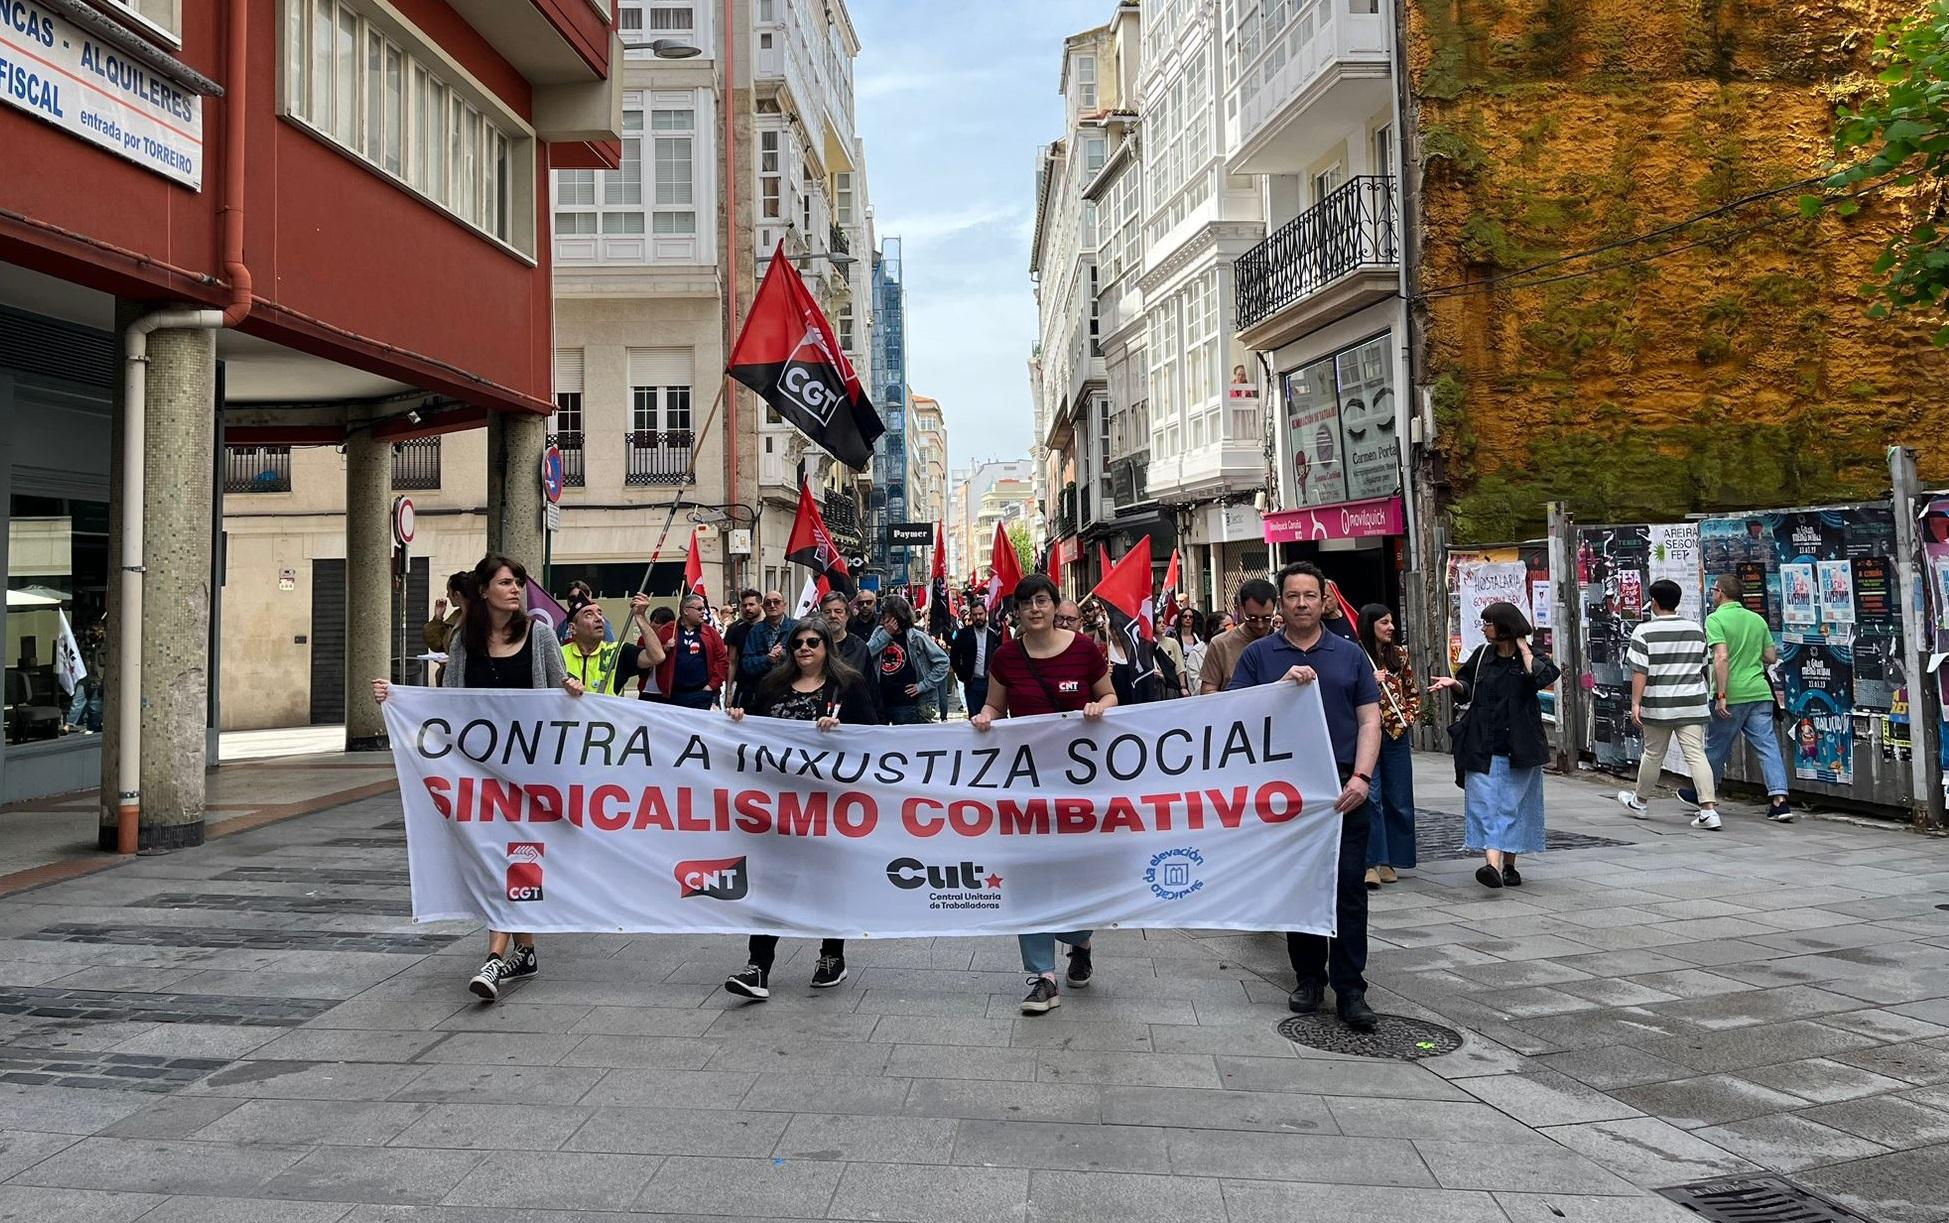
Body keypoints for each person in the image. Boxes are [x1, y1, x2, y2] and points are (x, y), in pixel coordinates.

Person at [372, 554, 583, 1002]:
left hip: (532, 770)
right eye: (506, 582)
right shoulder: (463, 641)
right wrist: (396, 698)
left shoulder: (540, 634)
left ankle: (505, 955)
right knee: (499, 855)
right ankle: (508, 953)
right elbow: (451, 706)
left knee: (517, 854)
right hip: (483, 771)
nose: (516, 589)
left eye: (520, 582)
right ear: (483, 590)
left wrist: (572, 690)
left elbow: (559, 690)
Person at [1227, 562, 1382, 1031]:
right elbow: (1234, 715)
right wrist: (1277, 690)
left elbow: (1370, 720)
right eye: (1292, 596)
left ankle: (1351, 987)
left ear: (1323, 600)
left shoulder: (1350, 654)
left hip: (1342, 787)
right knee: (1300, 885)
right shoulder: (1259, 656)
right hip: (1288, 793)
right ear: (1280, 603)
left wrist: (1362, 777)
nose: (1301, 603)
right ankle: (1309, 977)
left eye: (1309, 595)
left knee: (1348, 889)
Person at [970, 573, 1116, 1014]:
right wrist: (985, 717)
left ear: (1055, 606)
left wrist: (1097, 708)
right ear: (1016, 611)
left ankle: (1079, 940)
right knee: (1028, 876)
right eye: (1026, 603)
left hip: (1078, 785)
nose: (1035, 609)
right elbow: (996, 704)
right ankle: (1042, 977)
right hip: (1023, 786)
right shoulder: (1007, 657)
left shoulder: (1085, 651)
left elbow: (1110, 696)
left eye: (1042, 601)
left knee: (1075, 874)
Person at [723, 615, 876, 999]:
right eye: (798, 643)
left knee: (826, 880)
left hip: (828, 802)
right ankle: (758, 966)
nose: (804, 649)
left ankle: (831, 954)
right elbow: (755, 735)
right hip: (779, 802)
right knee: (774, 880)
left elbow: (872, 733)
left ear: (827, 646)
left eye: (812, 642)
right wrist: (740, 721)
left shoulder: (847, 685)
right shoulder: (772, 685)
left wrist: (841, 733)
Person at [1432, 600, 1562, 891]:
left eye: (1489, 622)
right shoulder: (1481, 656)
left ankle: (1510, 865)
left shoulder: (1532, 658)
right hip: (1482, 741)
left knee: (1514, 805)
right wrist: (1454, 685)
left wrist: (1524, 647)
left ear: (1504, 626)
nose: (1484, 628)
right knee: (1485, 805)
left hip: (1520, 743)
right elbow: (1467, 689)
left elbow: (1542, 677)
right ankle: (1491, 865)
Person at [1616, 579, 1722, 830]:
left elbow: (1640, 671)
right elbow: (1704, 665)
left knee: (1653, 754)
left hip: (1658, 703)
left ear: (1654, 602)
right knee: (1696, 754)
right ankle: (1708, 810)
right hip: (1692, 702)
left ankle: (1640, 801)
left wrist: (1635, 704)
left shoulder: (1644, 631)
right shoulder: (1696, 629)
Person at [1687, 573, 1793, 822]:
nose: (1712, 594)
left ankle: (1703, 793)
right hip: (1759, 692)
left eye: (1714, 590)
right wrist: (1748, 649)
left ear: (1720, 592)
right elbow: (1770, 656)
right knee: (1767, 746)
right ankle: (1780, 800)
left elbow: (1721, 657)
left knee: (1716, 745)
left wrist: (1721, 695)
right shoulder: (1756, 620)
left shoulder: (1715, 620)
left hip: (1732, 694)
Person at [1358, 604, 1420, 888]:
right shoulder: (1357, 656)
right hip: (1367, 735)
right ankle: (1370, 860)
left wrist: (1407, 718)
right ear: (1371, 625)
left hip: (1396, 734)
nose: (1390, 627)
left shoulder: (1400, 655)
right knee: (1371, 797)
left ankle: (1393, 858)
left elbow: (1412, 691)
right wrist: (1370, 681)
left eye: (1391, 621)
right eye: (1384, 622)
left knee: (1399, 798)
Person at [865, 596, 950, 725]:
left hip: (909, 705)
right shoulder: (879, 632)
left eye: (887, 614)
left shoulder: (917, 638)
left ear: (897, 615)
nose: (884, 619)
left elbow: (943, 662)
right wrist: (886, 635)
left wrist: (923, 685)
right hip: (881, 702)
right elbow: (866, 654)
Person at [561, 594, 665, 696]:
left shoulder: (617, 652)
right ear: (572, 628)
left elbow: (657, 656)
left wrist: (640, 616)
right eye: (589, 615)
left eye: (599, 614)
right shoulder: (559, 654)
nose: (599, 619)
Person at [1200, 579, 1278, 693]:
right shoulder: (1220, 644)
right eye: (1252, 619)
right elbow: (1208, 691)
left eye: (1266, 619)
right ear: (1241, 609)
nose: (1260, 625)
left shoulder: (1284, 640)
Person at [655, 593, 729, 709]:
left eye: (704, 609)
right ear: (686, 611)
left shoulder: (711, 632)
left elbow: (722, 660)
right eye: (699, 609)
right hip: (673, 695)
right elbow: (653, 655)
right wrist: (665, 647)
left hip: (701, 694)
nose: (703, 612)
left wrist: (712, 685)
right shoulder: (668, 630)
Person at [821, 588, 883, 722]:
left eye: (838, 611)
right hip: (820, 719)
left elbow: (871, 687)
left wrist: (878, 723)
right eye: (827, 612)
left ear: (847, 615)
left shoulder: (860, 647)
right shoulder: (812, 645)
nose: (833, 616)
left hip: (853, 720)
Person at [738, 591, 796, 706]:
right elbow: (746, 664)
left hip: (791, 689)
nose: (772, 606)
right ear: (763, 607)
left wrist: (784, 655)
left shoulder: (797, 628)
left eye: (776, 602)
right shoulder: (755, 631)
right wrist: (767, 659)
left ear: (784, 605)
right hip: (762, 692)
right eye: (768, 603)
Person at [951, 599, 1002, 720]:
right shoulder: (964, 634)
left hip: (991, 683)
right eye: (975, 615)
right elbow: (954, 656)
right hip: (973, 683)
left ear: (985, 614)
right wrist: (962, 674)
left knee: (992, 717)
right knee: (975, 718)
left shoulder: (993, 635)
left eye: (980, 614)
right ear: (971, 616)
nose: (978, 617)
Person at [423, 571, 469, 685]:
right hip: (450, 678)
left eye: (449, 591)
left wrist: (454, 661)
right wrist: (438, 618)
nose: (447, 595)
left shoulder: (477, 618)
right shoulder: (456, 616)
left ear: (457, 594)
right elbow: (437, 644)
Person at [723, 589, 764, 707]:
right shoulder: (735, 629)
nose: (747, 608)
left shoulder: (768, 627)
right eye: (744, 605)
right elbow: (732, 662)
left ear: (760, 605)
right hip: (743, 685)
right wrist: (729, 691)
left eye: (751, 604)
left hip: (767, 684)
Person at [1174, 609, 1208, 697]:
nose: (1188, 619)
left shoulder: (1199, 637)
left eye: (1191, 617)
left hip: (1196, 673)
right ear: (1180, 619)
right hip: (1180, 675)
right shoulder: (1174, 636)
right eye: (1185, 616)